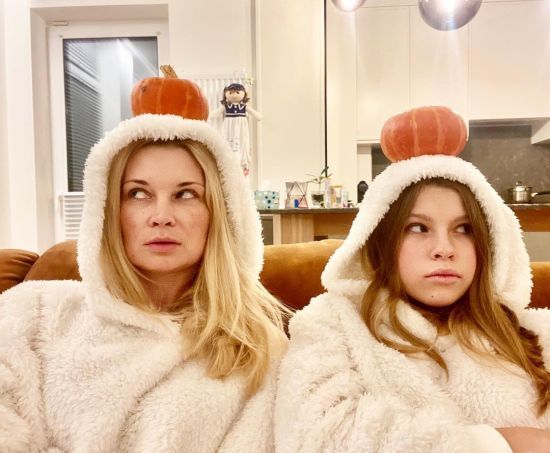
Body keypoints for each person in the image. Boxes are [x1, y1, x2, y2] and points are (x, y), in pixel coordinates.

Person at [0, 113, 288, 452]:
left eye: (185, 194)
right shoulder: (34, 313)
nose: (161, 217)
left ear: (218, 212)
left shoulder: (257, 349)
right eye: (138, 193)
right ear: (108, 211)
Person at [275, 154, 550, 452]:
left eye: (464, 229)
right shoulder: (331, 324)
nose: (444, 249)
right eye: (419, 228)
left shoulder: (536, 333)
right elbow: (313, 436)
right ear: (382, 242)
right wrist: (498, 443)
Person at [209, 83, 262, 176]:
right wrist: (211, 115)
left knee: (242, 143)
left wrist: (258, 116)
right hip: (229, 127)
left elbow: (255, 114)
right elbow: (216, 113)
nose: (234, 95)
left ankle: (242, 166)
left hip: (241, 127)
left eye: (237, 92)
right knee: (228, 142)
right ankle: (229, 164)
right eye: (231, 92)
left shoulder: (244, 106)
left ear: (244, 94)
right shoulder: (226, 106)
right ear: (226, 93)